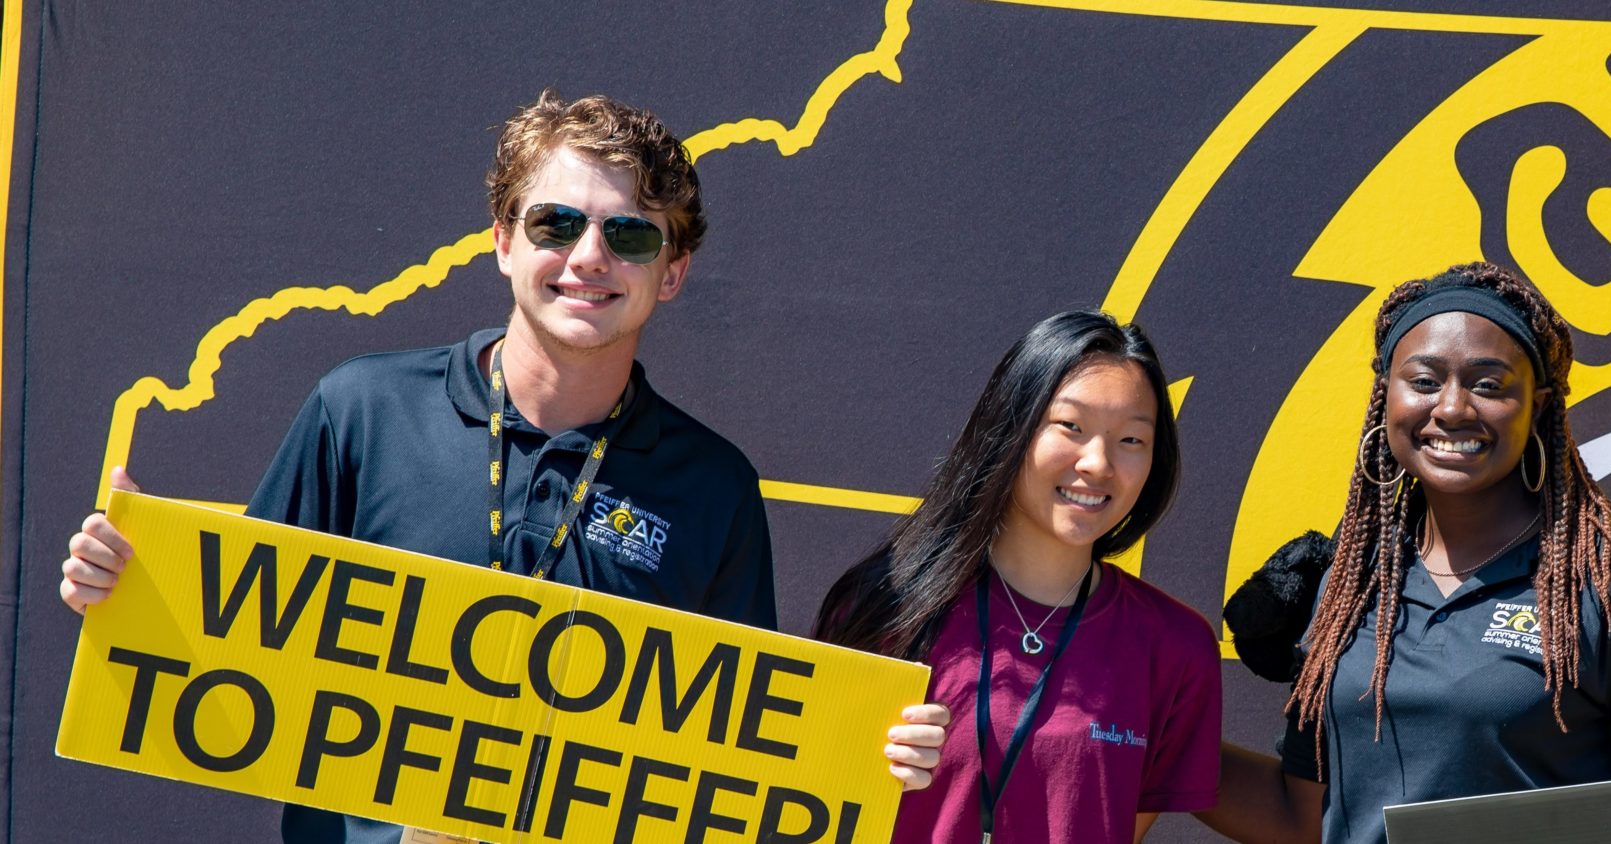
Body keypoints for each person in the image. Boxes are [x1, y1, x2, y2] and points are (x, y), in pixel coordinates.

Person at [58, 91, 946, 843]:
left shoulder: (711, 486)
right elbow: (233, 649)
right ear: (503, 242)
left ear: (672, 272)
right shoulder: (360, 411)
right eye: (557, 222)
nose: (589, 256)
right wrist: (133, 583)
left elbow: (735, 764)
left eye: (631, 236)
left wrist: (866, 754)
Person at [1202, 262, 1611, 844]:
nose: (1451, 409)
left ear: (1540, 406)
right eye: (1424, 381)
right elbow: (1303, 818)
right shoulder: (1349, 580)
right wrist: (1144, 734)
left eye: (1489, 384)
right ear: (1385, 396)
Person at [811, 310, 1221, 844]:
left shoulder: (1176, 649)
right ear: (1012, 427)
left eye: (1131, 440)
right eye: (1070, 427)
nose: (1098, 463)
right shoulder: (885, 604)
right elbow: (806, 795)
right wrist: (862, 762)